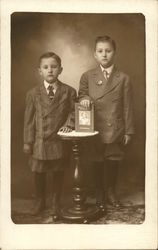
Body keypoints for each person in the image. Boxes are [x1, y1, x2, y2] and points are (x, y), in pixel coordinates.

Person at [78, 36, 134, 212]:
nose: (104, 54)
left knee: (112, 161)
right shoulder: (87, 76)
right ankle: (99, 193)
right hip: (94, 127)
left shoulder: (123, 78)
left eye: (108, 51)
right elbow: (81, 95)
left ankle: (110, 191)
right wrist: (85, 100)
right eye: (100, 51)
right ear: (95, 54)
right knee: (95, 160)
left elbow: (127, 106)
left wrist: (129, 131)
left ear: (114, 53)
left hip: (115, 128)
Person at [23, 52, 77, 217]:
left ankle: (55, 201)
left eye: (54, 67)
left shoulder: (69, 91)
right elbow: (29, 120)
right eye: (46, 67)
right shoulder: (33, 94)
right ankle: (40, 200)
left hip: (59, 139)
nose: (50, 70)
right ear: (39, 71)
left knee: (57, 171)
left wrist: (69, 125)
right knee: (39, 171)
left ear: (60, 70)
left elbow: (74, 112)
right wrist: (27, 141)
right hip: (40, 141)